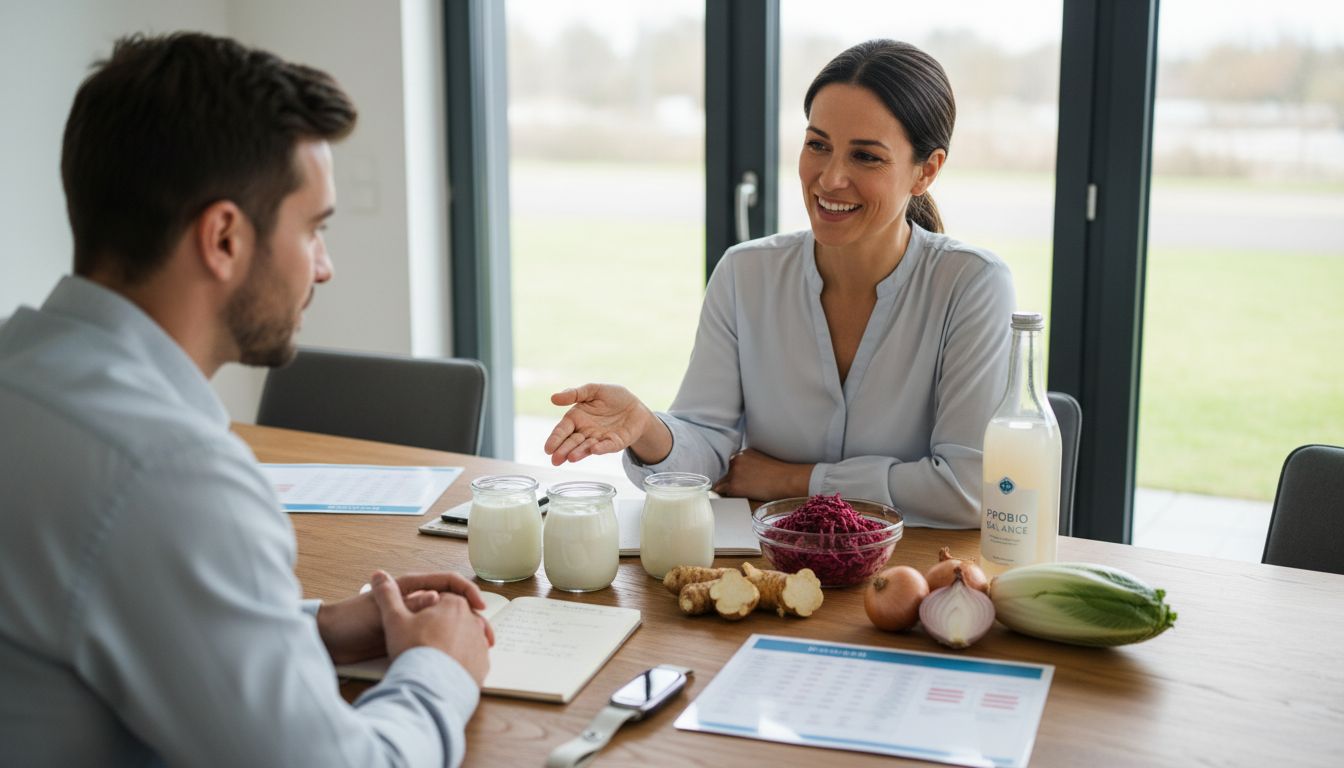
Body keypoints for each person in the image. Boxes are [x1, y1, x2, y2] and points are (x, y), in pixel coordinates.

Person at [0, 33, 492, 767]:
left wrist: (310, 627)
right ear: (224, 237)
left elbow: (95, 606)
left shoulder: (21, 374)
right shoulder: (170, 477)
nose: (324, 269)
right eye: (315, 229)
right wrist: (441, 668)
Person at [545, 40, 1015, 528]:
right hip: (768, 565)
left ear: (927, 170)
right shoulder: (745, 273)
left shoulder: (973, 285)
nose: (830, 179)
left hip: (909, 575)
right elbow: (708, 451)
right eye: (818, 145)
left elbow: (969, 488)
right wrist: (644, 426)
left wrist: (797, 481)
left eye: (866, 157)